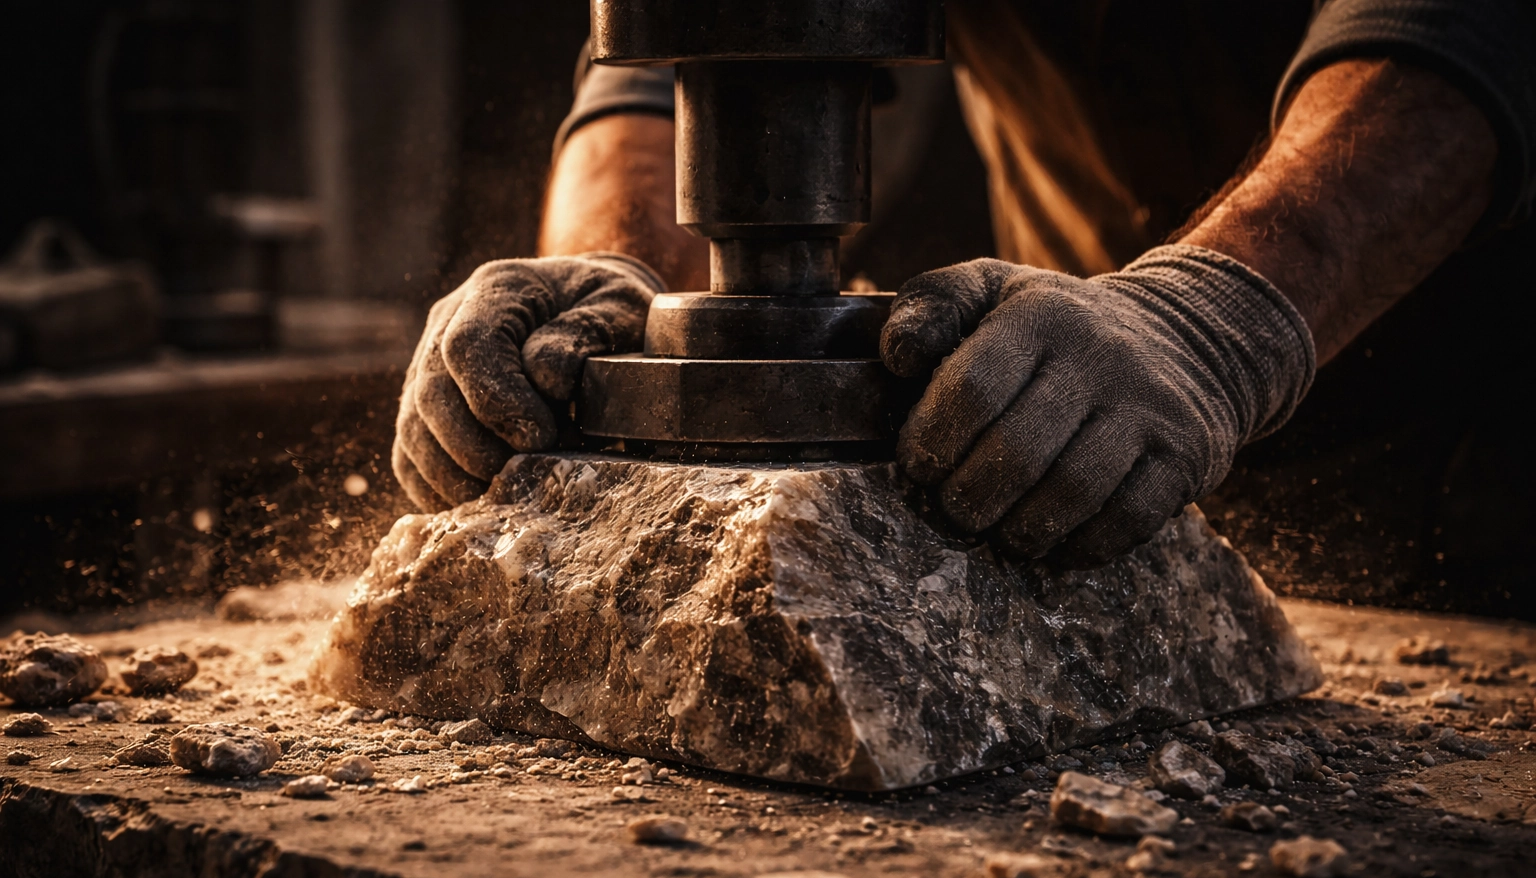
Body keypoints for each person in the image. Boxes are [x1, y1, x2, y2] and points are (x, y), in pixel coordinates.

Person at [393, 0, 1535, 580]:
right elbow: (653, 71)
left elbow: (1470, 28)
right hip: (1056, 417)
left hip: (1471, 436)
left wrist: (1215, 320)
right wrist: (617, 271)